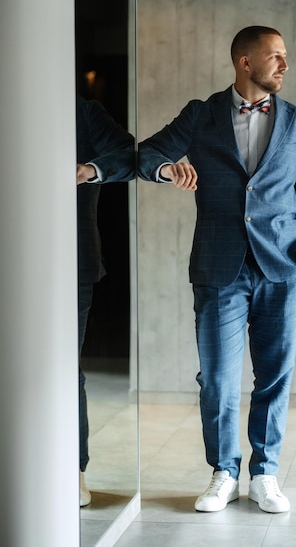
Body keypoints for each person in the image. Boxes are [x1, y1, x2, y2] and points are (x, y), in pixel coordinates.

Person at [137, 25, 296, 514]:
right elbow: (147, 154)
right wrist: (168, 169)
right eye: (275, 56)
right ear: (245, 62)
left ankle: (264, 473)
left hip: (283, 266)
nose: (284, 65)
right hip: (219, 265)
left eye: (285, 56)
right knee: (219, 377)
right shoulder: (201, 116)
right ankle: (223, 471)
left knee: (274, 376)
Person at [76, 95, 136, 506]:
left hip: (70, 259)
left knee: (61, 368)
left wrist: (89, 170)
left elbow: (128, 155)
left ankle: (72, 469)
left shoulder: (82, 111)